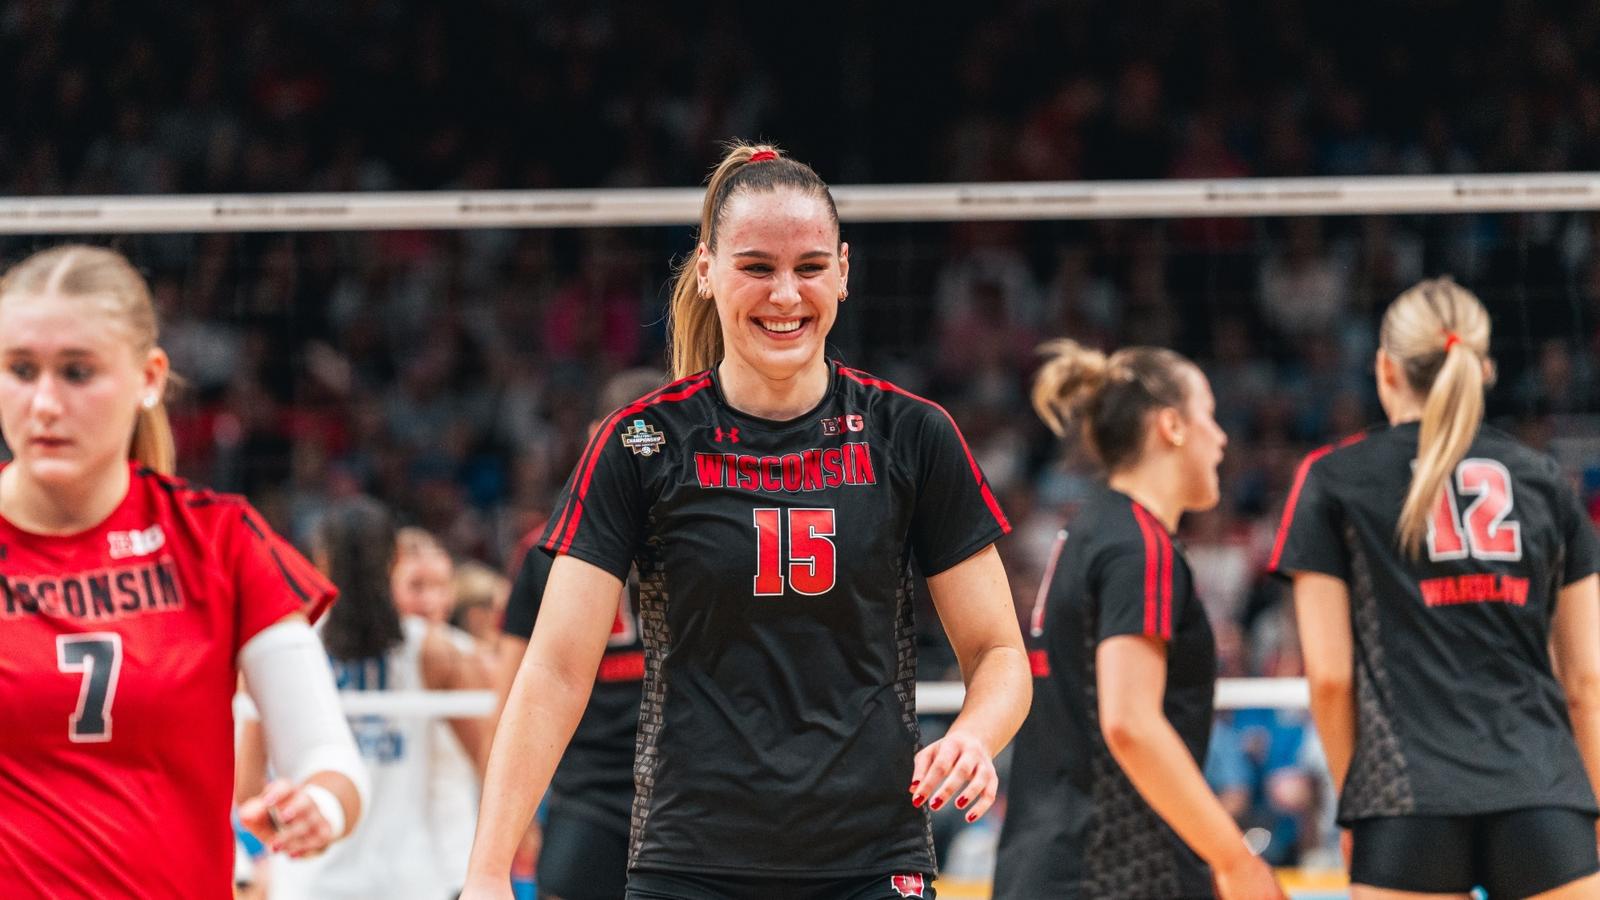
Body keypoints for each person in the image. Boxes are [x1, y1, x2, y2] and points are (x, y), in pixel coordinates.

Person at [464, 143, 1031, 900]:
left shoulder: (911, 433)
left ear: (845, 272)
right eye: (757, 267)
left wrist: (972, 736)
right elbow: (557, 671)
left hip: (869, 860)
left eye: (810, 267)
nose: (786, 295)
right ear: (706, 271)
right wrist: (488, 871)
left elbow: (999, 651)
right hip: (690, 861)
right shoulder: (640, 442)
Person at [0, 244, 366, 899]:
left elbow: (330, 760)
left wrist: (320, 806)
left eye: (78, 372)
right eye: (20, 370)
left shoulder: (219, 540)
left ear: (148, 378)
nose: (44, 403)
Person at [1272, 277, 1600, 898]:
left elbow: (1330, 680)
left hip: (1406, 802)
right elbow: (1586, 684)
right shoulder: (1546, 480)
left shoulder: (1333, 478)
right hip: (1543, 791)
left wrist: (1356, 804)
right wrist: (1592, 808)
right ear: (1484, 368)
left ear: (1384, 368)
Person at [992, 339, 1284, 899]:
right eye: (1210, 418)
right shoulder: (1138, 545)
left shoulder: (1088, 530)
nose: (1222, 440)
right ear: (1171, 426)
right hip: (1113, 870)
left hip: (1046, 862)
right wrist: (1238, 862)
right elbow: (1130, 722)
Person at [246, 498, 490, 900]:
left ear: (320, 560)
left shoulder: (283, 647)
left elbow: (246, 789)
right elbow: (490, 758)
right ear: (394, 559)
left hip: (310, 882)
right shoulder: (434, 650)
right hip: (409, 882)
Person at [496, 367, 664, 900]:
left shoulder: (713, 534)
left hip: (687, 793)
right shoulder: (546, 547)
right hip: (590, 791)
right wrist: (513, 817)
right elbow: (511, 691)